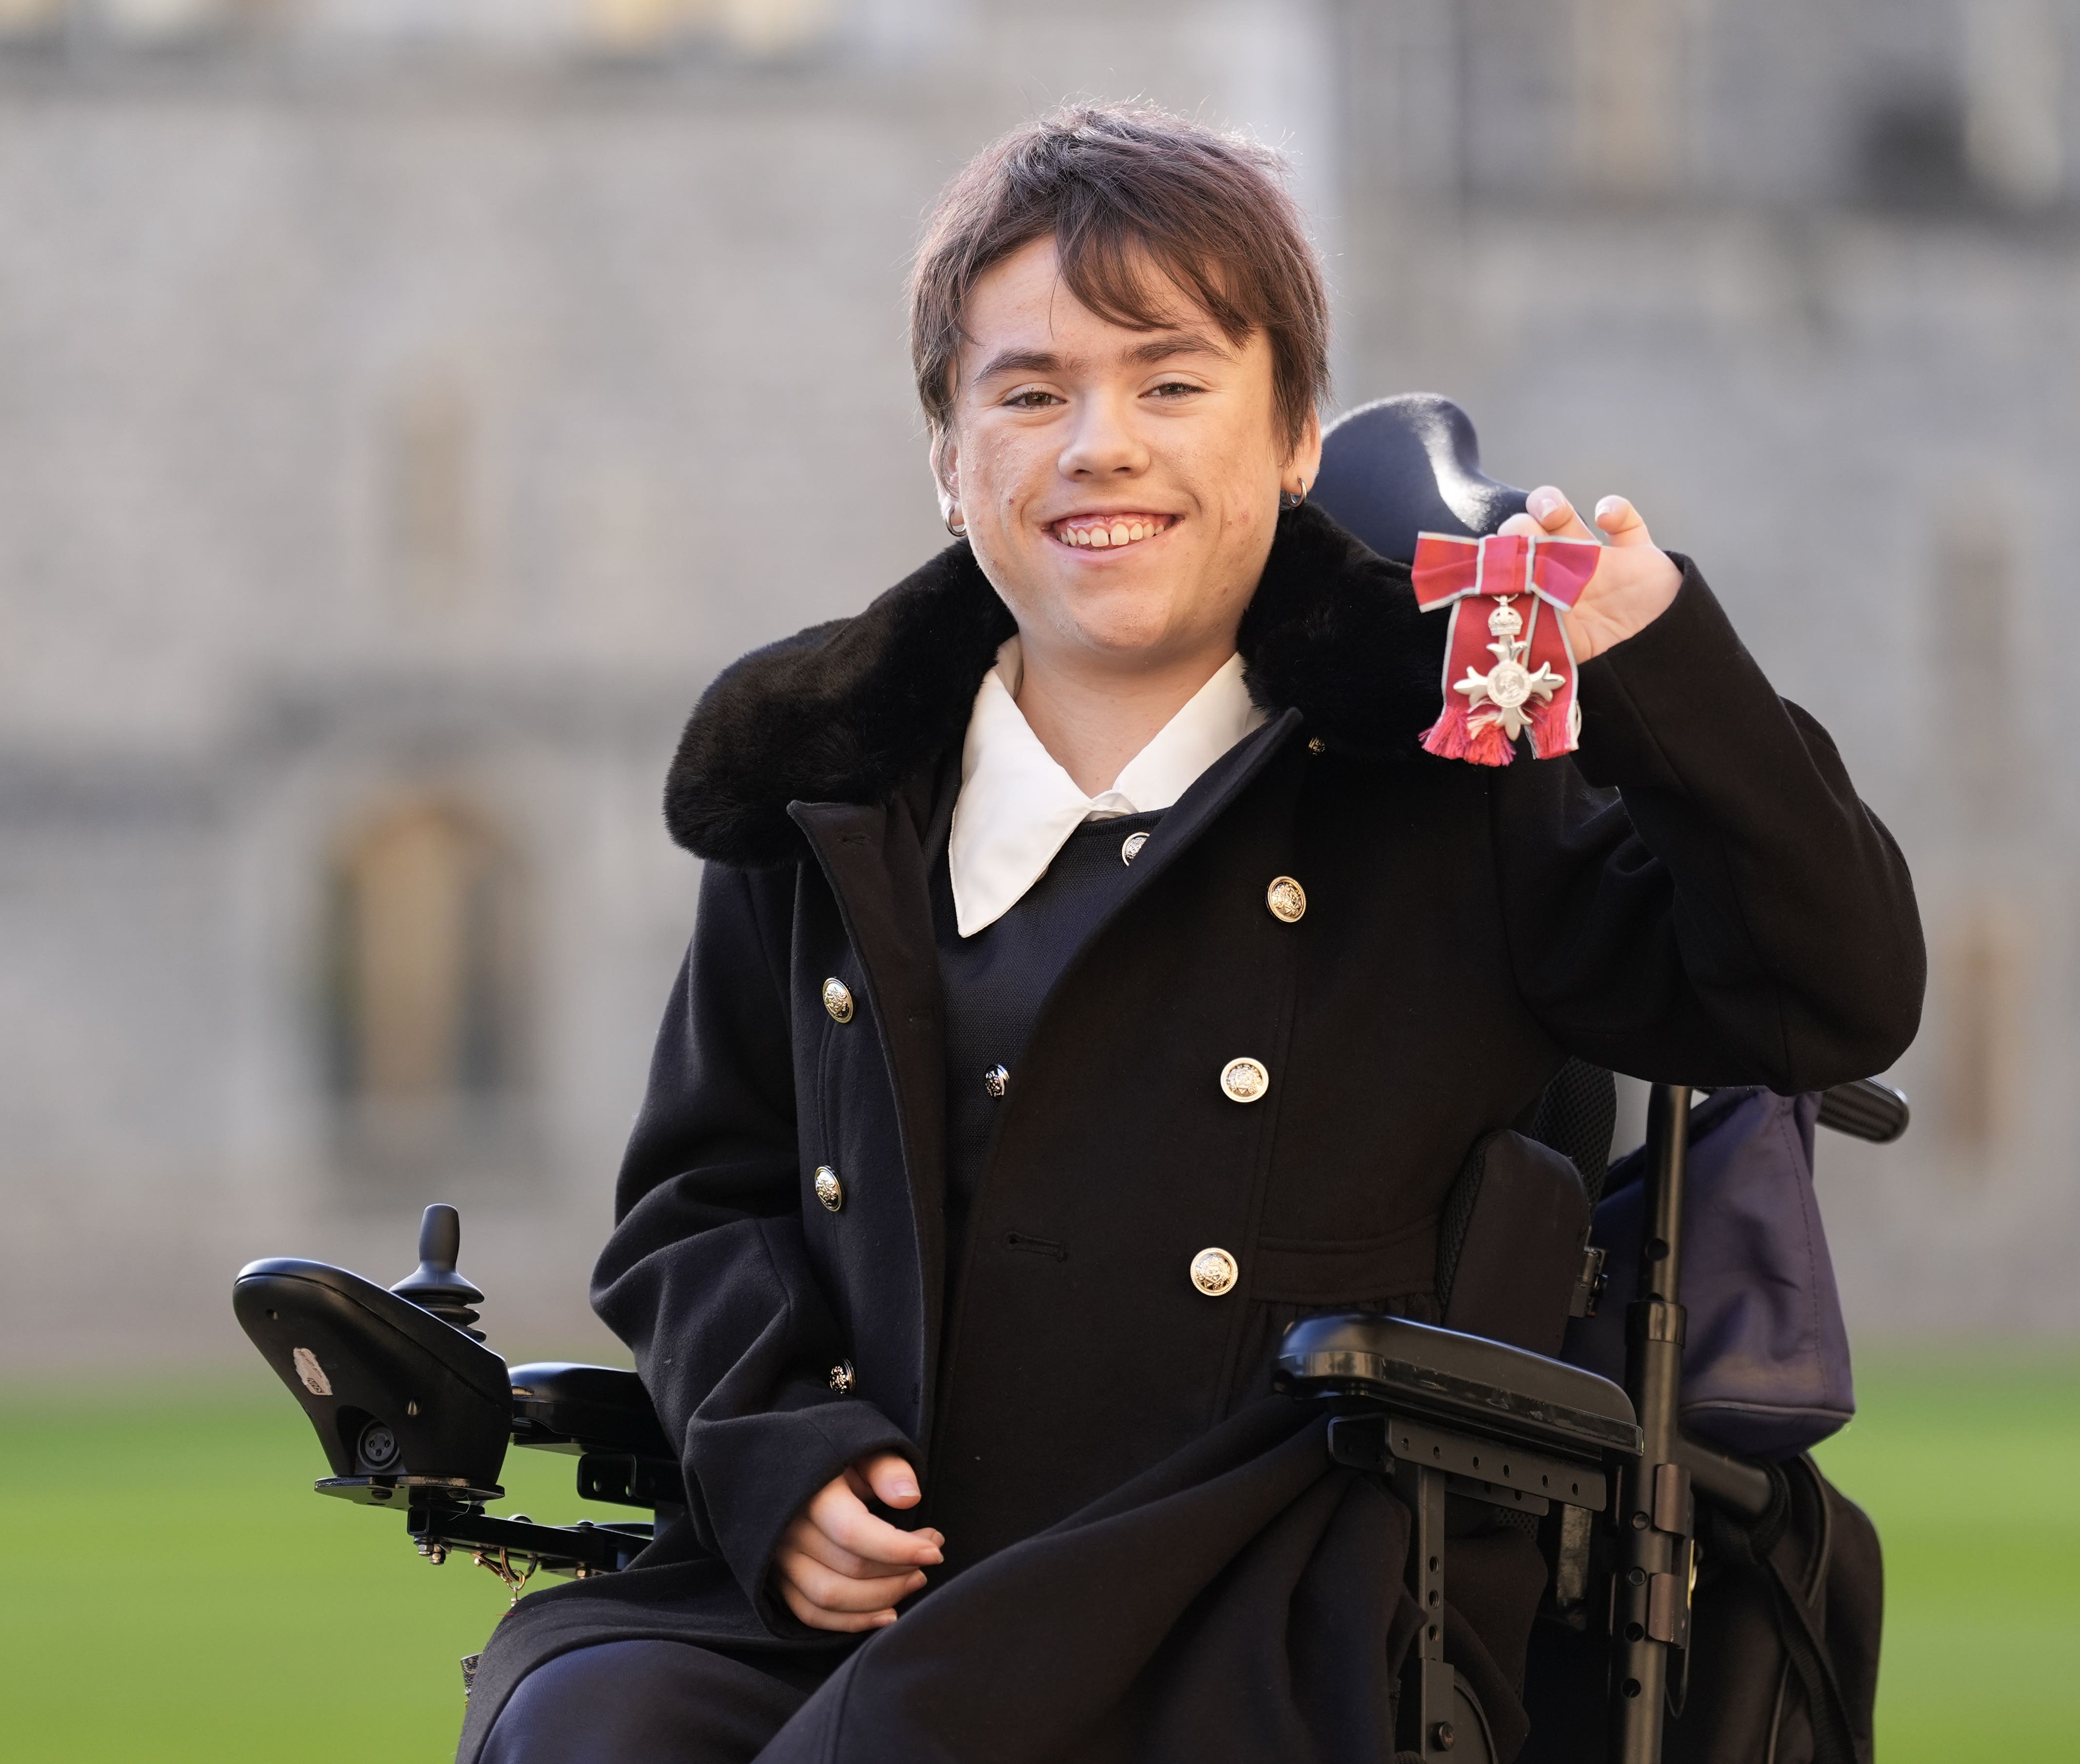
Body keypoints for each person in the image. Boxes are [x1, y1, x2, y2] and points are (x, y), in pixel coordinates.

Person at [464, 102, 1924, 1764]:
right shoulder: (828, 786)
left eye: (1172, 383)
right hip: (898, 1576)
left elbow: (1833, 993)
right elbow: (699, 1201)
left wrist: (1656, 660)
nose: (1102, 444)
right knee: (586, 1721)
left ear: (1296, 434)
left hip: (1270, 1592)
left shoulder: (1453, 785)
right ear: (949, 461)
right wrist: (780, 1448)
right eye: (1029, 394)